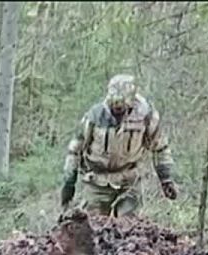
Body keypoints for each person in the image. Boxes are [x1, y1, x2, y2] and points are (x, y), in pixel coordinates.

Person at [60, 74, 177, 218]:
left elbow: (160, 148)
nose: (117, 108)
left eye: (121, 105)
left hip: (129, 181)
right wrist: (69, 182)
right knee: (92, 224)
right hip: (98, 181)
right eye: (114, 104)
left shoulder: (145, 116)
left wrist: (166, 178)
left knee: (128, 223)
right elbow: (74, 151)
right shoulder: (94, 117)